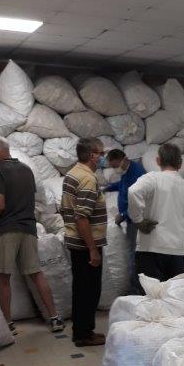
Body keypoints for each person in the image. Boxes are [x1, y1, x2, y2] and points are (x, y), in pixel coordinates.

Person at [0, 136, 64, 335]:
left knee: (3, 278)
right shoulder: (26, 170)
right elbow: (20, 195)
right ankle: (55, 318)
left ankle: (8, 324)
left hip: (6, 230)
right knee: (36, 273)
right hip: (28, 228)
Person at [128, 143, 184, 283]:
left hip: (150, 249)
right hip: (177, 252)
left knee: (150, 294)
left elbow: (133, 191)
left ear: (158, 161)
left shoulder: (152, 179)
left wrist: (138, 220)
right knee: (174, 294)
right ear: (180, 163)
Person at [61, 137, 107, 347]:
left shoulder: (72, 173)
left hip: (77, 243)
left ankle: (81, 331)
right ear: (92, 155)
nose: (103, 157)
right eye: (101, 153)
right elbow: (81, 218)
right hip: (85, 245)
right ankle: (83, 334)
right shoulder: (87, 179)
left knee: (81, 289)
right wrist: (93, 250)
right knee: (89, 291)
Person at [104, 149, 146, 293]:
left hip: (136, 221)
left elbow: (140, 202)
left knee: (133, 254)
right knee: (130, 252)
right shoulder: (127, 171)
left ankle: (136, 290)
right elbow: (123, 185)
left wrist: (123, 214)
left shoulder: (137, 173)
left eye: (115, 166)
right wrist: (108, 188)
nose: (114, 169)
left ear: (123, 159)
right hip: (130, 219)